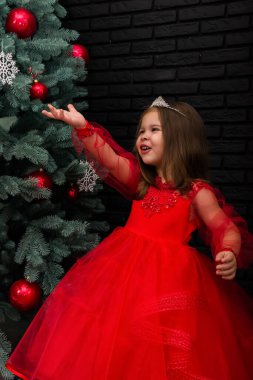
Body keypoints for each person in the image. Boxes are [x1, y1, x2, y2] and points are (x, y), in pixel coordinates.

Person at [6, 96, 253, 380]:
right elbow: (108, 158)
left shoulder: (197, 193)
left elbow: (224, 226)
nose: (143, 136)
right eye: (141, 131)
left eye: (154, 130)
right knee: (114, 341)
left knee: (159, 351)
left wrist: (228, 251)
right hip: (123, 281)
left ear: (180, 139)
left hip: (168, 286)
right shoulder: (141, 183)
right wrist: (84, 128)